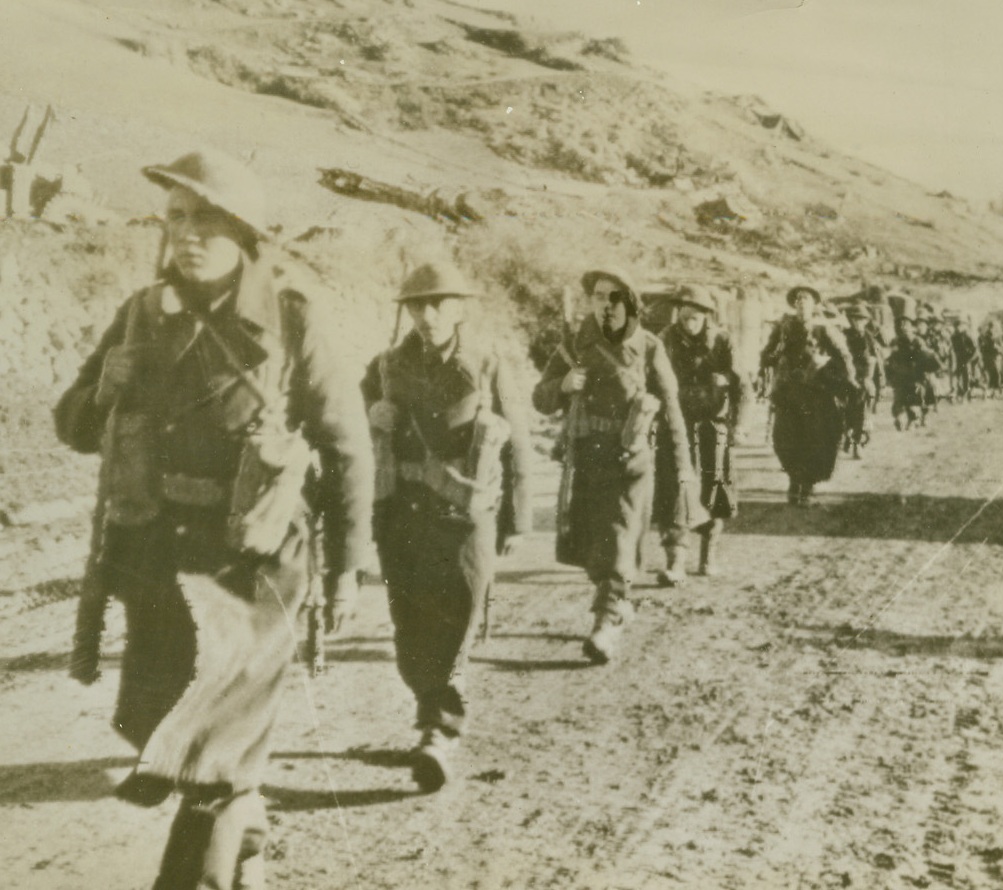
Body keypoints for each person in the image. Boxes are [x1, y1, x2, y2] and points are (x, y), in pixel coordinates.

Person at [54, 149, 373, 890]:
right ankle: (246, 822)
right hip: (160, 560)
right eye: (175, 218)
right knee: (158, 729)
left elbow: (348, 445)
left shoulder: (292, 318)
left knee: (206, 755)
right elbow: (71, 427)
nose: (186, 235)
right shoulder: (141, 314)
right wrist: (105, 387)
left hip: (255, 568)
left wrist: (350, 567)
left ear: (242, 233)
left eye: (204, 220)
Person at [362, 262, 532, 791]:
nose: (428, 314)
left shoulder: (485, 364)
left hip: (465, 517)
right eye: (417, 305)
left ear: (459, 308)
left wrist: (516, 518)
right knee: (409, 623)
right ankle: (429, 709)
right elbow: (350, 431)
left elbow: (519, 444)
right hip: (404, 515)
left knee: (457, 616)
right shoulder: (386, 365)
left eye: (439, 304)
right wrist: (372, 415)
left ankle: (440, 728)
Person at [533, 267, 691, 664]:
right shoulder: (573, 344)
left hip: (630, 458)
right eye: (598, 296)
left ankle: (607, 617)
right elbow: (541, 398)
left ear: (630, 302)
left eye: (614, 296)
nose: (605, 304)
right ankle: (617, 600)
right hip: (586, 457)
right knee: (592, 541)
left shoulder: (650, 346)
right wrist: (564, 385)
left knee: (618, 535)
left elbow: (671, 412)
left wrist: (682, 466)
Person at [652, 284, 748, 582]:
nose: (689, 320)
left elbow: (742, 386)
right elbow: (649, 380)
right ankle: (676, 560)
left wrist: (740, 425)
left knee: (713, 488)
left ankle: (709, 553)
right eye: (684, 313)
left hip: (712, 427)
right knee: (673, 490)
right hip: (674, 427)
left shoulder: (722, 341)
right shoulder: (664, 341)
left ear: (707, 315)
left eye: (696, 315)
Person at [759, 285, 854, 506]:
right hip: (788, 393)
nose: (802, 303)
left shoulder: (824, 329)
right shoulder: (783, 328)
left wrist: (836, 375)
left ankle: (808, 486)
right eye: (798, 299)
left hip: (816, 395)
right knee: (785, 439)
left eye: (806, 299)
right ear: (794, 304)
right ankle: (794, 481)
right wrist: (776, 355)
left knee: (815, 439)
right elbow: (766, 356)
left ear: (814, 304)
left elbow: (844, 356)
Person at [886, 312, 940, 430]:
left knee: (917, 400)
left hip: (916, 376)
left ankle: (917, 419)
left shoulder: (917, 341)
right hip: (900, 376)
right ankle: (900, 418)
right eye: (900, 325)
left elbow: (926, 356)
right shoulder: (895, 341)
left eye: (906, 324)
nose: (903, 327)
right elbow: (890, 358)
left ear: (911, 327)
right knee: (899, 400)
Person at [841, 302, 880, 458]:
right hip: (845, 379)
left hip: (863, 380)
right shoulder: (844, 336)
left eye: (862, 319)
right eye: (855, 319)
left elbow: (876, 360)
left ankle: (857, 443)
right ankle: (847, 437)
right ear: (850, 320)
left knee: (861, 413)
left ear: (866, 321)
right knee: (844, 411)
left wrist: (877, 382)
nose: (858, 322)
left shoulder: (869, 338)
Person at [949, 316, 980, 401]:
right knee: (957, 375)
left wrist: (970, 359)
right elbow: (953, 348)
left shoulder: (967, 335)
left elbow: (975, 349)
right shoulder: (954, 337)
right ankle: (959, 391)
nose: (958, 328)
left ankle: (968, 392)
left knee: (967, 375)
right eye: (956, 326)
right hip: (960, 358)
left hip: (969, 358)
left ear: (963, 326)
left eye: (960, 326)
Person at [978, 320, 1003, 397]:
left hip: (994, 356)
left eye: (992, 327)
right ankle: (992, 390)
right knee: (991, 373)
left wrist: (999, 348)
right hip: (988, 356)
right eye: (990, 327)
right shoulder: (985, 336)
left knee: (995, 373)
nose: (991, 329)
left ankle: (995, 390)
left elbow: (1001, 345)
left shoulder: (995, 336)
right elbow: (982, 346)